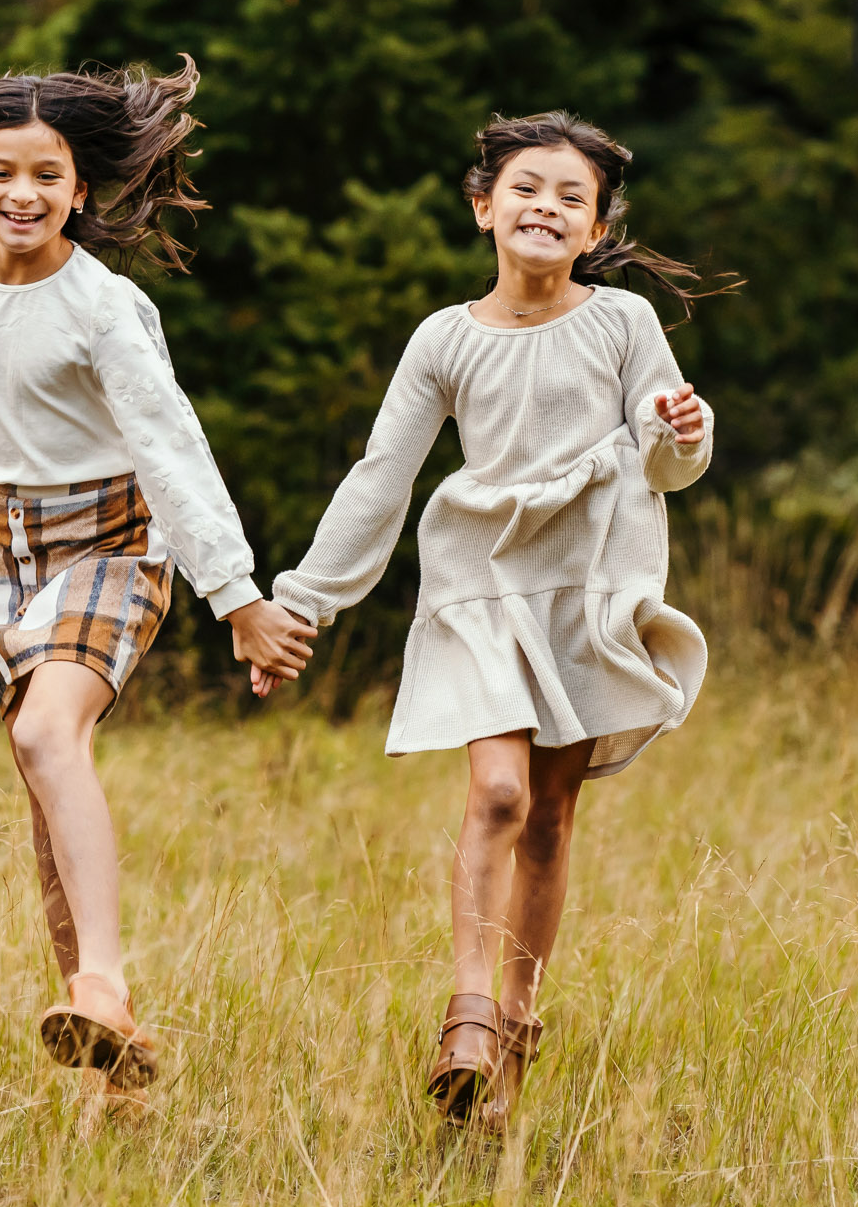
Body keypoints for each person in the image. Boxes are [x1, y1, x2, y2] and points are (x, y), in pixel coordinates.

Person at [0, 56, 314, 1092]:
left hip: (114, 541)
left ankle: (107, 988)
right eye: (1, 172)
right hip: (9, 551)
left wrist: (238, 597)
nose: (23, 194)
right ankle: (109, 1069)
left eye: (47, 175)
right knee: (47, 803)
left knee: (48, 733)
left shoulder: (105, 305)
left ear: (81, 190)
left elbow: (171, 447)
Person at [268, 112, 727, 1132]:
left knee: (553, 815)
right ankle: (466, 1014)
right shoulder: (444, 337)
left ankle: (516, 1023)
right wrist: (301, 598)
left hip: (588, 583)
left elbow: (665, 453)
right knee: (497, 792)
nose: (546, 207)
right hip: (479, 577)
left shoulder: (620, 323)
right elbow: (382, 475)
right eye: (526, 188)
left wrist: (684, 433)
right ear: (483, 206)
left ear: (597, 228)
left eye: (572, 197)